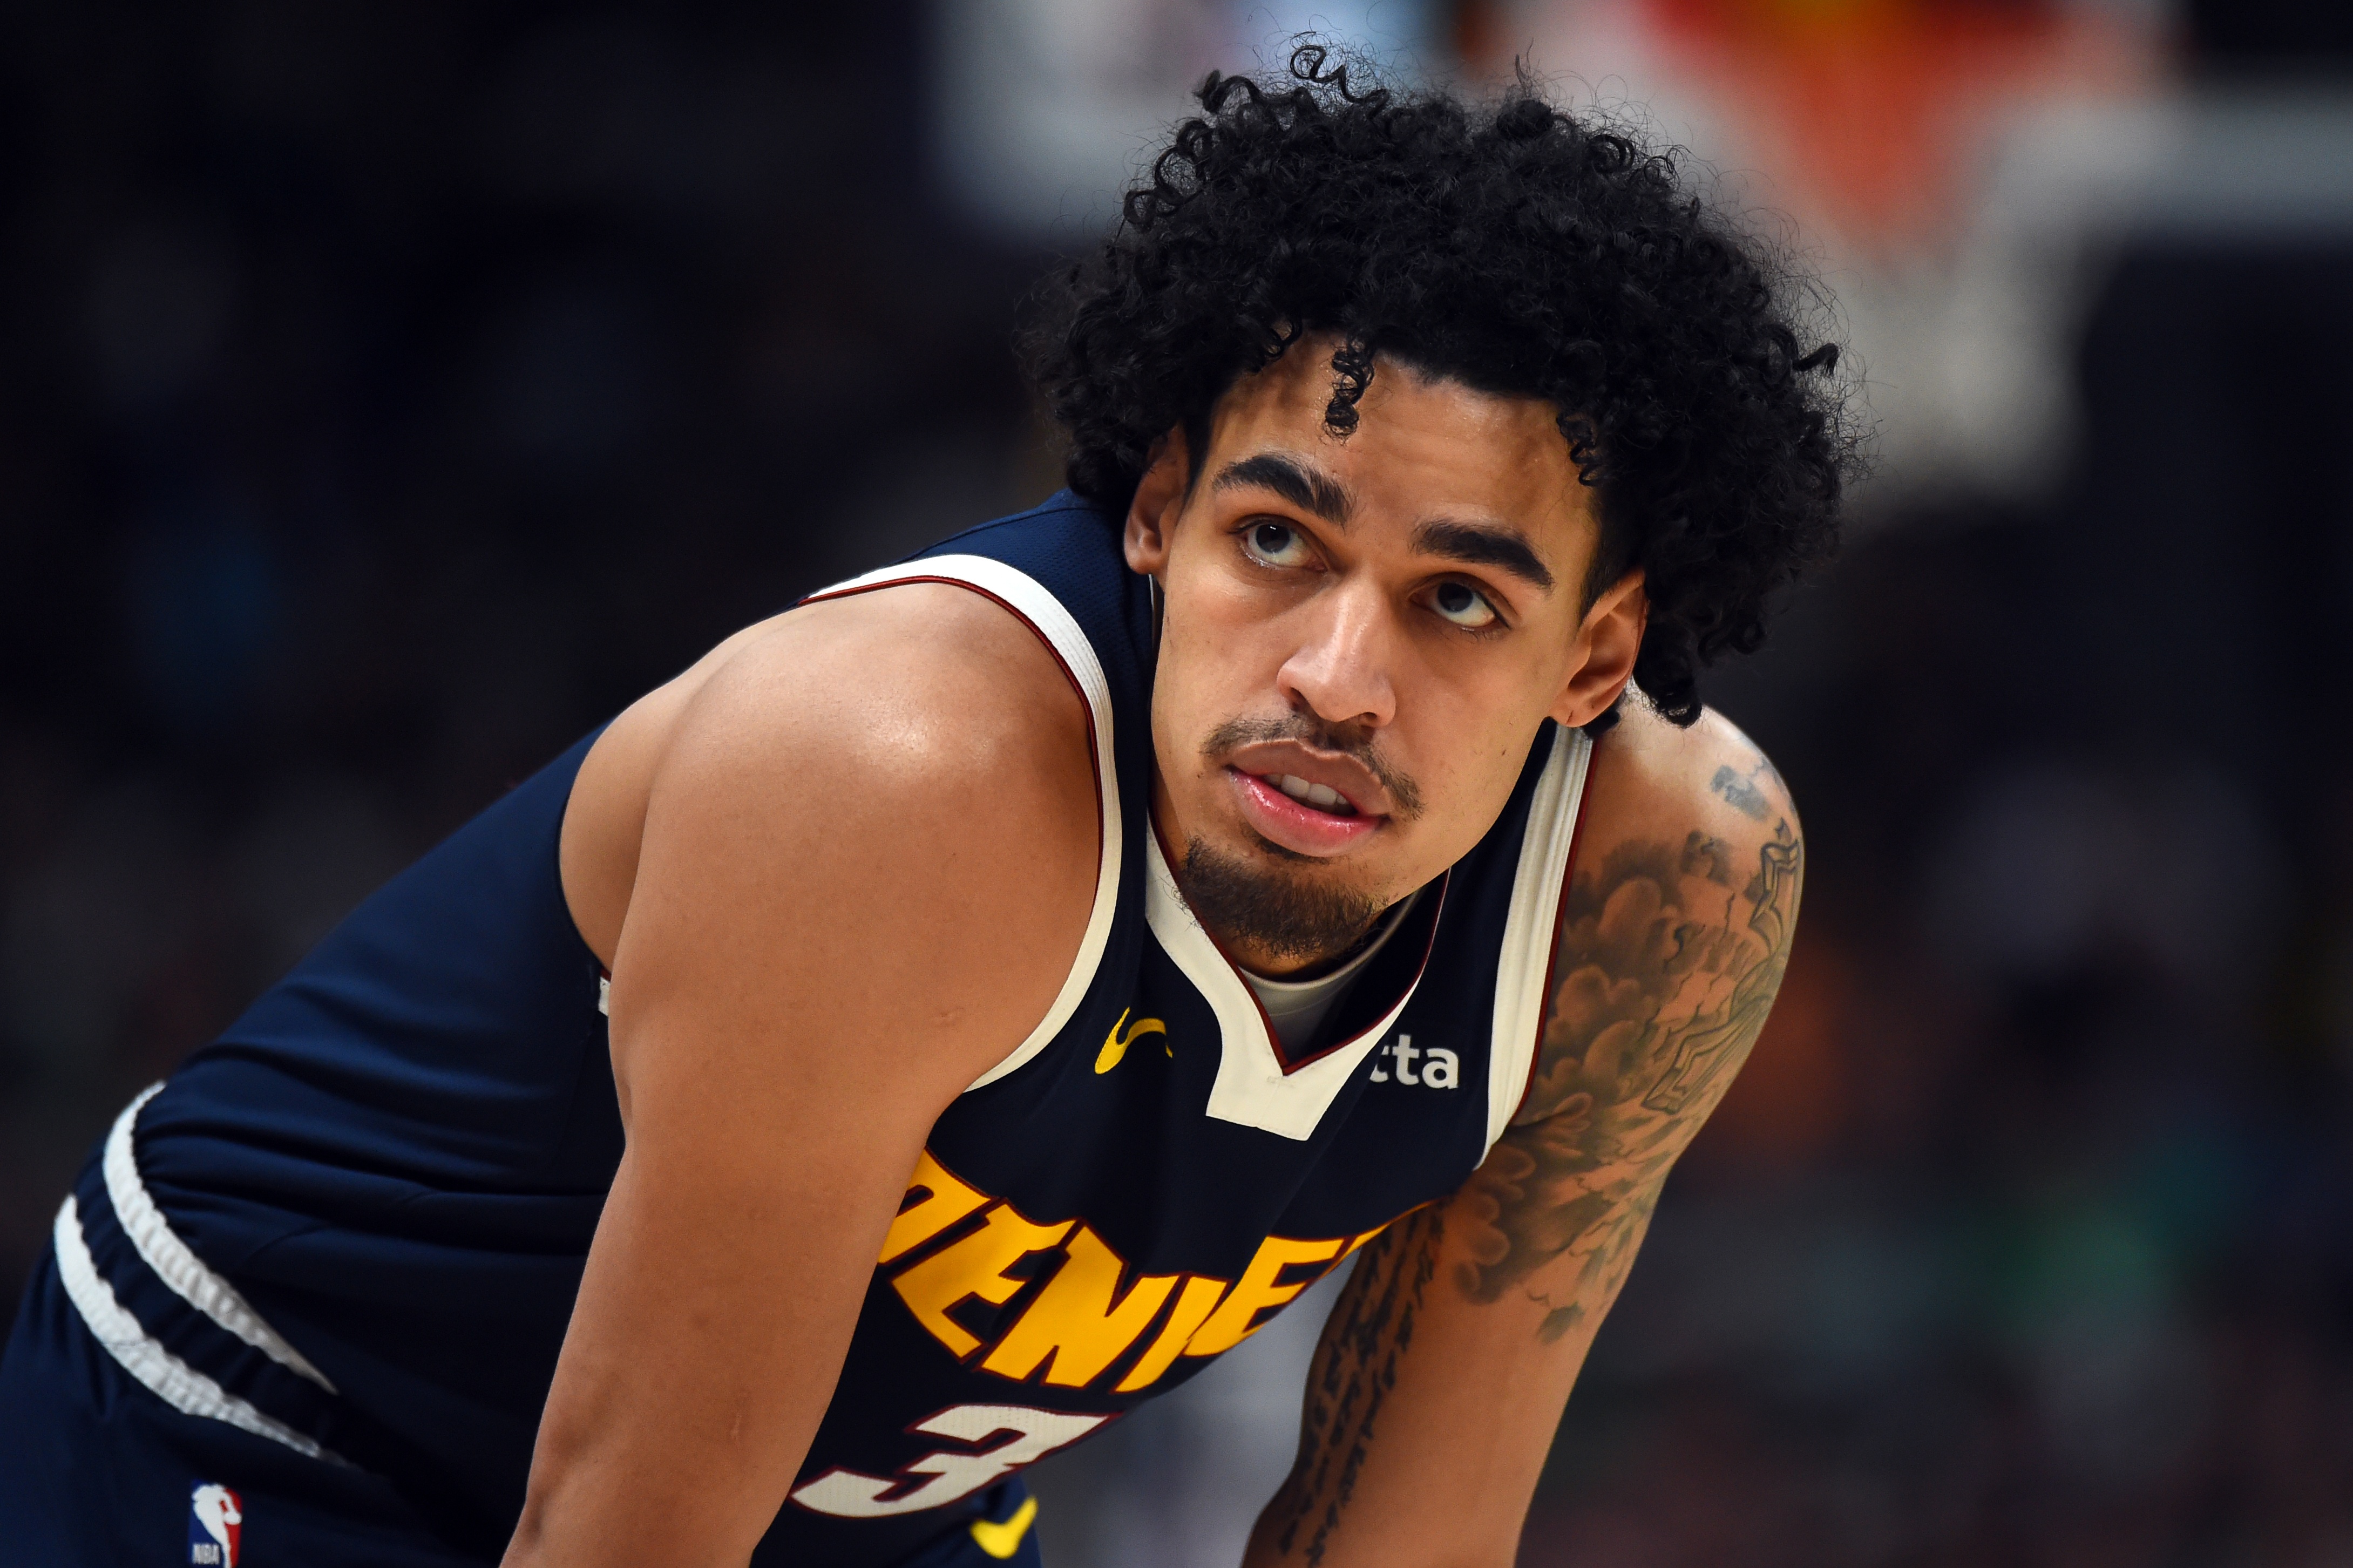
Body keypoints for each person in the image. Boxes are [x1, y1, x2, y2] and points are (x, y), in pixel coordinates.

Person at [0, 47, 1853, 1568]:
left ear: (1598, 654)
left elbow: (1408, 1534)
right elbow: (619, 1537)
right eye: (1278, 542)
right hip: (295, 1421)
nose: (1336, 679)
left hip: (855, 1514)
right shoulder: (896, 782)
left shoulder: (1663, 892)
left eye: (1459, 599)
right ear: (1156, 511)